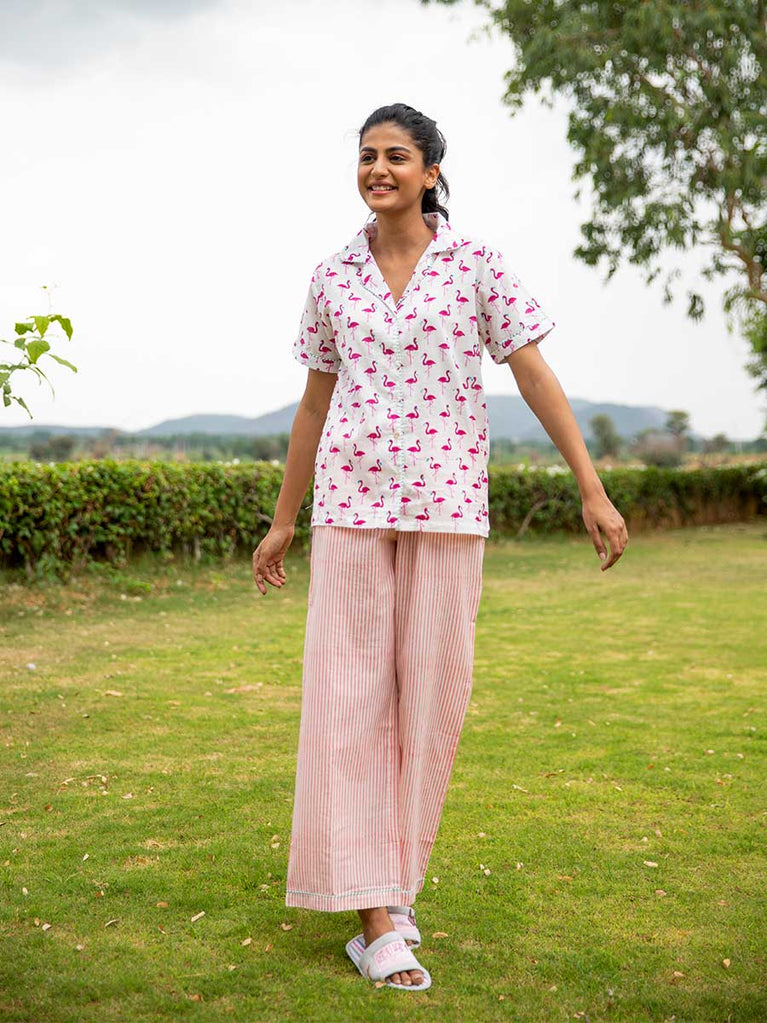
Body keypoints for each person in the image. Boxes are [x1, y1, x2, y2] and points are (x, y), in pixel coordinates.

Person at [252, 103, 628, 992]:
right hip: (351, 507)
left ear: (429, 173)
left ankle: (395, 884)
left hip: (449, 507)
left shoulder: (476, 264)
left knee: (430, 701)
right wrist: (283, 518)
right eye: (366, 155)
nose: (378, 169)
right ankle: (373, 918)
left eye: (396, 156)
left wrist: (590, 484)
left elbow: (531, 371)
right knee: (346, 704)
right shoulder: (332, 276)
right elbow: (313, 403)